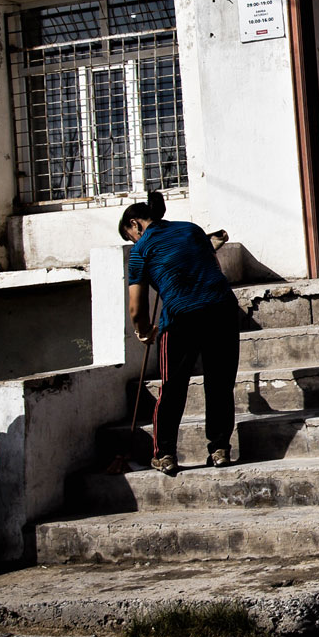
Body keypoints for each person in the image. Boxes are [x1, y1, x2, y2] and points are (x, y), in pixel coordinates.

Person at [118, 190, 241, 475]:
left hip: (181, 318)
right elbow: (208, 260)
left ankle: (165, 454)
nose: (133, 241)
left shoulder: (140, 251)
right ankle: (220, 449)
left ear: (136, 224)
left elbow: (136, 310)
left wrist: (144, 331)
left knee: (172, 388)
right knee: (219, 382)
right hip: (221, 309)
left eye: (130, 235)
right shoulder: (191, 230)